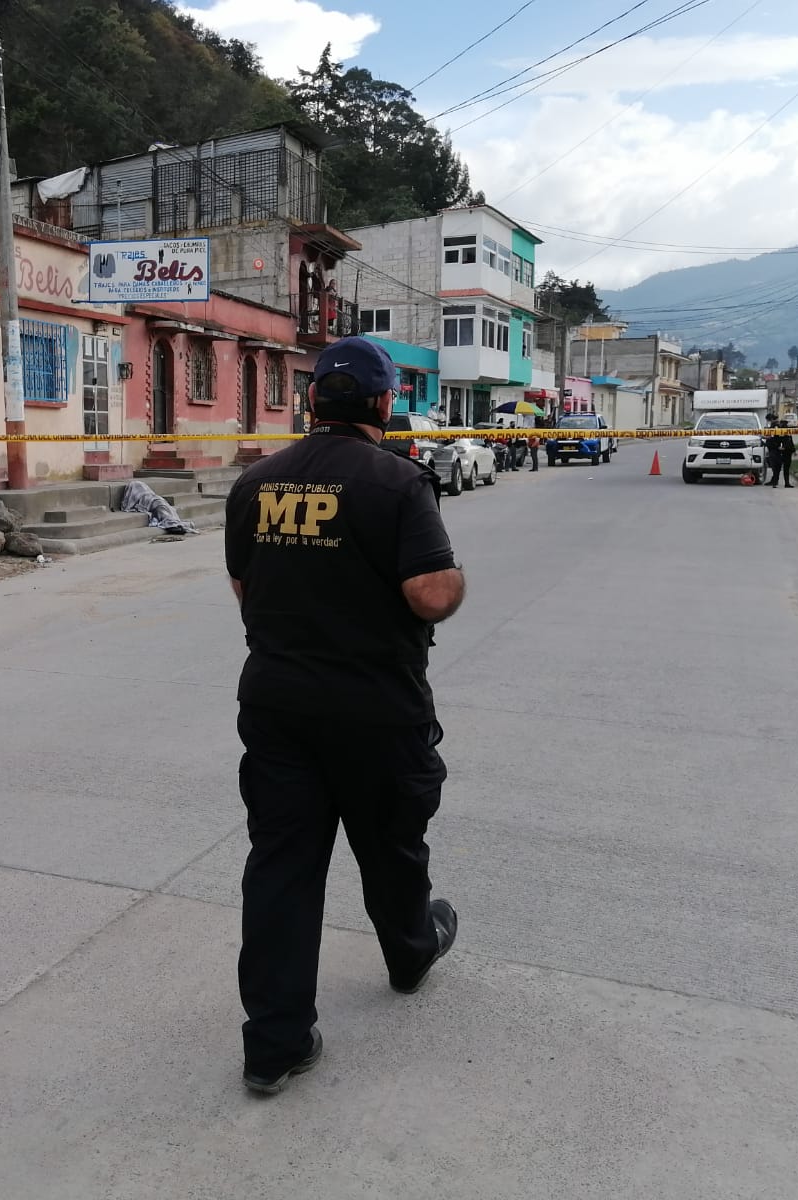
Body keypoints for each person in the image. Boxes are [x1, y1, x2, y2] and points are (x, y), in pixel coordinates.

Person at [224, 336, 465, 1096]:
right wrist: (452, 582)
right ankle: (408, 951)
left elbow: (243, 586)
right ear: (384, 403)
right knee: (391, 845)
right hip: (374, 708)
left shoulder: (254, 482)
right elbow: (429, 594)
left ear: (310, 402)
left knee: (281, 870)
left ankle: (273, 1043)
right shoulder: (396, 482)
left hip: (277, 703)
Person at [765, 416, 796, 488]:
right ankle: (775, 482)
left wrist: (793, 450)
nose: (784, 425)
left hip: (786, 451)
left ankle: (786, 483)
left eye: (785, 423)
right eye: (782, 423)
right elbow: (774, 440)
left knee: (784, 468)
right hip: (780, 451)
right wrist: (777, 447)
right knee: (777, 468)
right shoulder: (777, 431)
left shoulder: (787, 432)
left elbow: (790, 441)